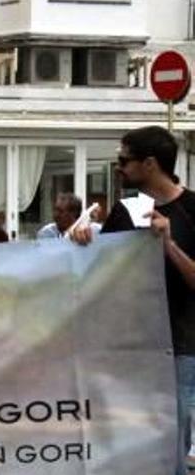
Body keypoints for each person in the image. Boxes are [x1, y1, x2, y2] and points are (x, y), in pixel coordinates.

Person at [70, 126, 195, 475]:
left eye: (124, 160)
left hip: (181, 342)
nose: (118, 168)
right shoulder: (124, 211)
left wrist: (168, 245)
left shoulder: (191, 209)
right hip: (132, 342)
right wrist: (82, 242)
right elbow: (102, 272)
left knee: (174, 434)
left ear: (150, 164)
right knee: (134, 434)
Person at [36, 192, 101, 240]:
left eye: (60, 211)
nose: (55, 215)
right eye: (55, 210)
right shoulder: (47, 232)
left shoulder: (94, 230)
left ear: (73, 213)